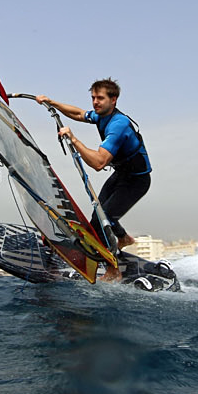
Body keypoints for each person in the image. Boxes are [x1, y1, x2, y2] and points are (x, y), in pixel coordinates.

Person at [36, 78, 151, 267]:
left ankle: (113, 269)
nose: (95, 102)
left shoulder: (118, 125)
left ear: (113, 100)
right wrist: (52, 102)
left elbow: (99, 162)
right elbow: (79, 113)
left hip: (136, 182)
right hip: (121, 175)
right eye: (93, 98)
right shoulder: (102, 115)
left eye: (100, 98)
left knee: (101, 221)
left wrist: (73, 139)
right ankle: (123, 239)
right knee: (98, 217)